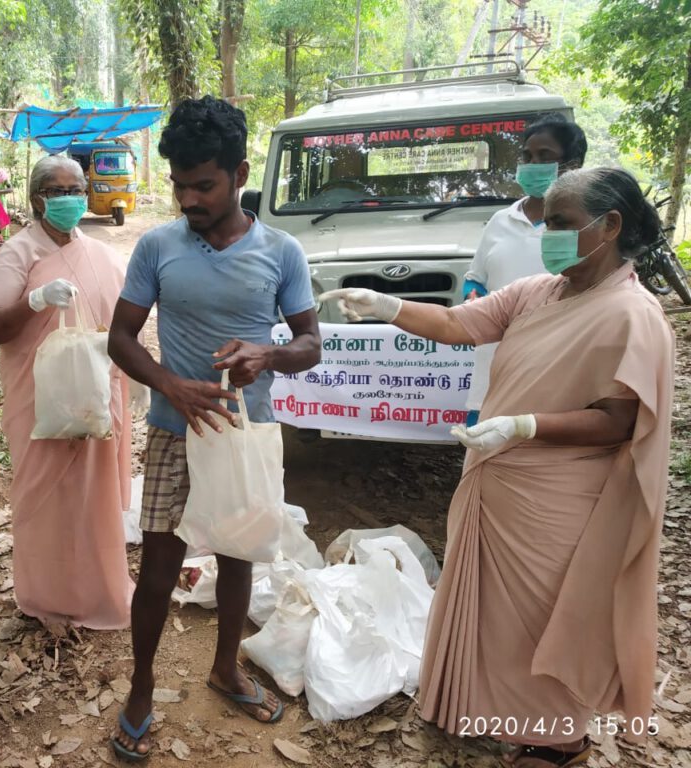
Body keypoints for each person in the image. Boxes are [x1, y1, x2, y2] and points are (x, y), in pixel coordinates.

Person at [322, 167, 673, 768]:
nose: (548, 233)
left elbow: (619, 419)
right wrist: (386, 304)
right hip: (497, 483)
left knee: (546, 622)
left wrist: (525, 425)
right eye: (547, 221)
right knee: (500, 623)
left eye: (562, 223)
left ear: (610, 225)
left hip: (560, 501)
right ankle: (499, 716)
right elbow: (460, 325)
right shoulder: (540, 291)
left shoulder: (631, 314)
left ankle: (560, 743)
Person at [107, 96, 321, 761]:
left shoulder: (281, 252)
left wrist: (269, 355)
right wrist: (168, 381)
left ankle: (226, 668)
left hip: (245, 433)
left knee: (236, 558)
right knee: (158, 569)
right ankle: (140, 688)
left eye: (203, 184)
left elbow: (310, 344)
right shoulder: (157, 246)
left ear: (239, 173)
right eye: (179, 185)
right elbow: (120, 336)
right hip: (176, 431)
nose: (189, 198)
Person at [0, 155, 138, 631]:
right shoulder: (17, 253)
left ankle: (99, 589)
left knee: (94, 497)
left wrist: (137, 377)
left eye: (77, 190)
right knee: (46, 498)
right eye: (58, 191)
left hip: (97, 396)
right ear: (36, 199)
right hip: (39, 402)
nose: (70, 199)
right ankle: (47, 595)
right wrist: (34, 301)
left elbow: (123, 323)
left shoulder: (103, 253)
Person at [461, 114, 588, 426]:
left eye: (544, 156)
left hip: (558, 369)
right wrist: (472, 298)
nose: (532, 164)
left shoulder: (590, 226)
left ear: (572, 164)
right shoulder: (500, 221)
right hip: (494, 368)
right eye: (527, 156)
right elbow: (475, 279)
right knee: (483, 453)